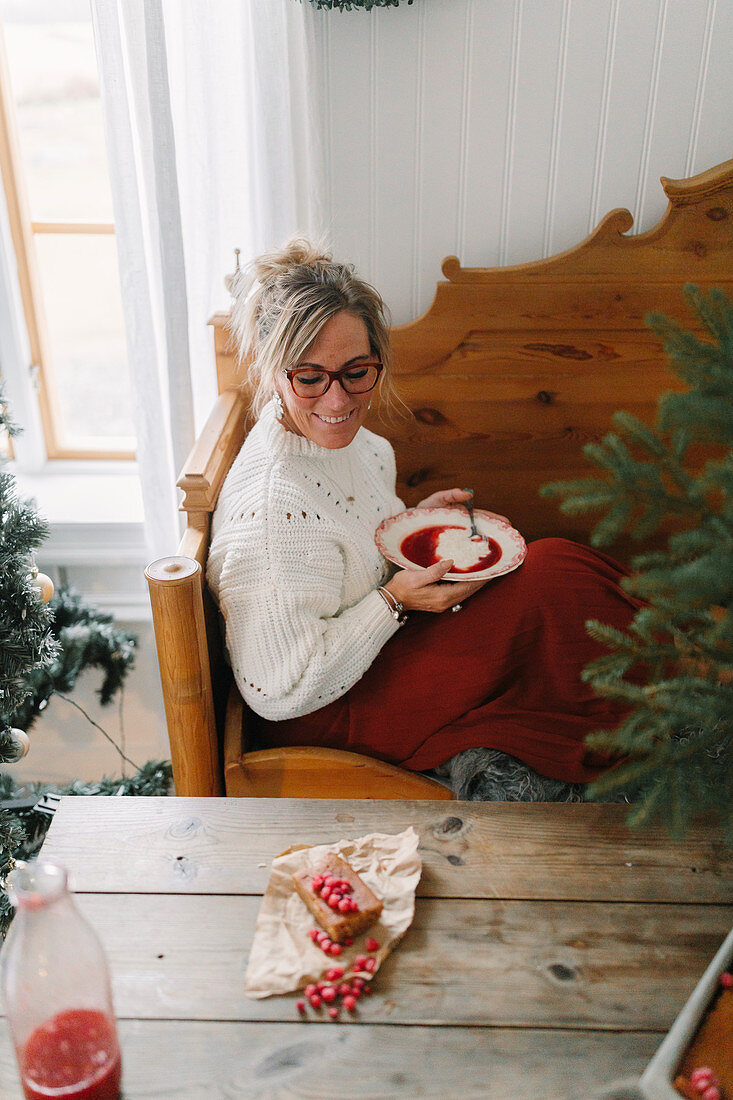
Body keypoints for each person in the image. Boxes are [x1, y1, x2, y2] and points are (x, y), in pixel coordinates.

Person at [207, 239, 643, 801]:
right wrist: (395, 603)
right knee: (553, 586)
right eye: (309, 376)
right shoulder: (272, 514)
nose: (337, 400)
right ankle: (678, 686)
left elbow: (347, 543)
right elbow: (276, 690)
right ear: (271, 373)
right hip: (329, 712)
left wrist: (413, 525)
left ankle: (674, 673)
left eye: (356, 371)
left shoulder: (349, 445)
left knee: (557, 572)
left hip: (378, 650)